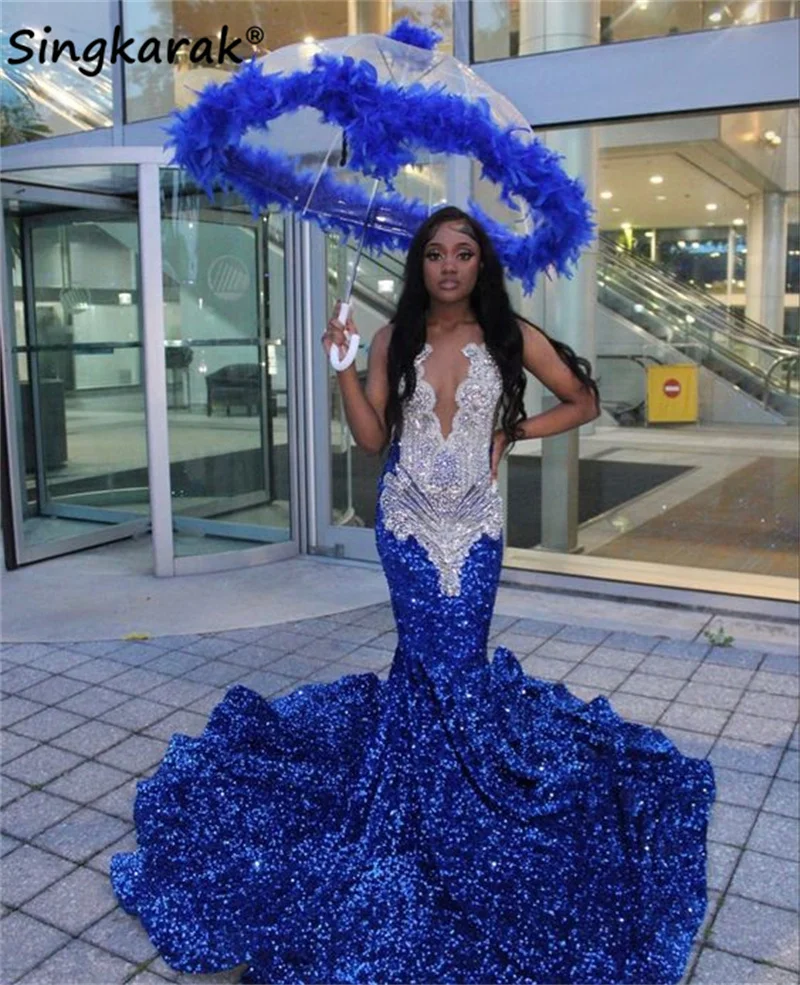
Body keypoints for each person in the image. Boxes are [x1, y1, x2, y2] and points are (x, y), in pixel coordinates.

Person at [111, 207, 714, 985]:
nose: (450, 266)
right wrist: (340, 365)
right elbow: (370, 439)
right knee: (428, 661)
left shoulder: (508, 334)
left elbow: (586, 400)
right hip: (405, 526)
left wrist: (513, 433)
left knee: (456, 663)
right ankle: (425, 792)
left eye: (464, 253)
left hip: (474, 529)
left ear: (481, 264)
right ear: (420, 264)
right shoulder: (395, 336)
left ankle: (461, 791)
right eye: (436, 254)